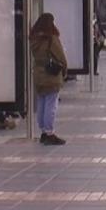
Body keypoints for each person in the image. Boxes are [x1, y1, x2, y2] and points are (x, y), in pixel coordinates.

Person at [30, 13, 68, 146]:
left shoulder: (34, 38)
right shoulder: (51, 38)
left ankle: (43, 131)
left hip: (38, 73)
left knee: (41, 102)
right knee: (51, 104)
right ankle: (50, 132)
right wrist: (65, 69)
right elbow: (61, 56)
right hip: (51, 74)